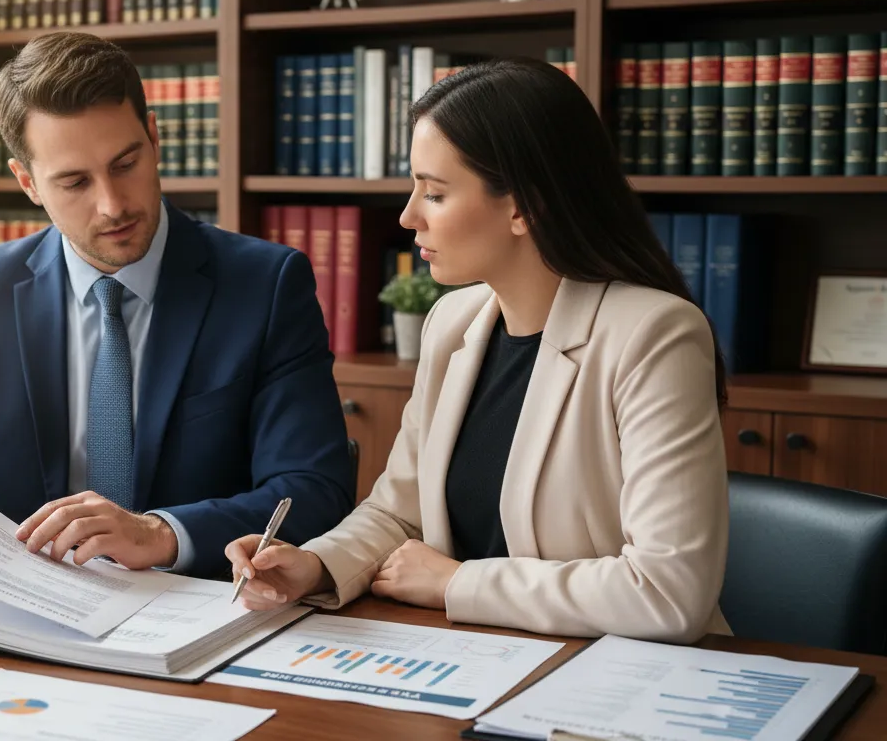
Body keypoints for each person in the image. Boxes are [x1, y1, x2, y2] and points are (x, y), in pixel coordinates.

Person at [226, 56, 731, 645]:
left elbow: (670, 592)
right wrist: (314, 564)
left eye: (434, 193)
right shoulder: (452, 323)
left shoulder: (655, 335)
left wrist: (457, 584)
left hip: (620, 683)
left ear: (523, 206)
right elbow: (400, 513)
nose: (408, 215)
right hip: (477, 659)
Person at [0, 32, 355, 578]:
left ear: (153, 137)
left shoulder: (264, 285)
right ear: (28, 182)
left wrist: (162, 533)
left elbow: (313, 489)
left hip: (198, 607)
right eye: (74, 182)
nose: (113, 204)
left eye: (125, 164)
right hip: (31, 614)